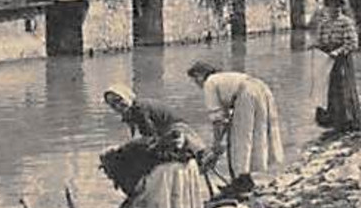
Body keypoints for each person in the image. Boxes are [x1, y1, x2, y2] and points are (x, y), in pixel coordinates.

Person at [186, 60, 284, 198]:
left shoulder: (210, 83)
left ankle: (240, 183)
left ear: (199, 75)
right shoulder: (222, 78)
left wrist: (216, 143)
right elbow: (226, 120)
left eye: (195, 79)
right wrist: (219, 142)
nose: (196, 84)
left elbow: (217, 119)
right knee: (256, 135)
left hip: (246, 94)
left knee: (240, 142)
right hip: (260, 88)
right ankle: (245, 180)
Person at [314, 0, 361, 135]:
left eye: (336, 6)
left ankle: (348, 121)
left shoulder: (346, 22)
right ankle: (332, 120)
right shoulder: (324, 23)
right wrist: (316, 47)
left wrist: (338, 52)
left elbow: (353, 44)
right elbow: (321, 41)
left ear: (341, 7)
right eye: (330, 6)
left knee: (344, 87)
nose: (333, 9)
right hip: (327, 59)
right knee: (327, 89)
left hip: (342, 59)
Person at [102, 84, 183, 142]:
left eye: (119, 100)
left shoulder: (140, 109)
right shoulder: (128, 112)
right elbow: (134, 134)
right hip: (164, 132)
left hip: (178, 131)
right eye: (112, 105)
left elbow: (149, 135)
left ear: (128, 96)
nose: (118, 106)